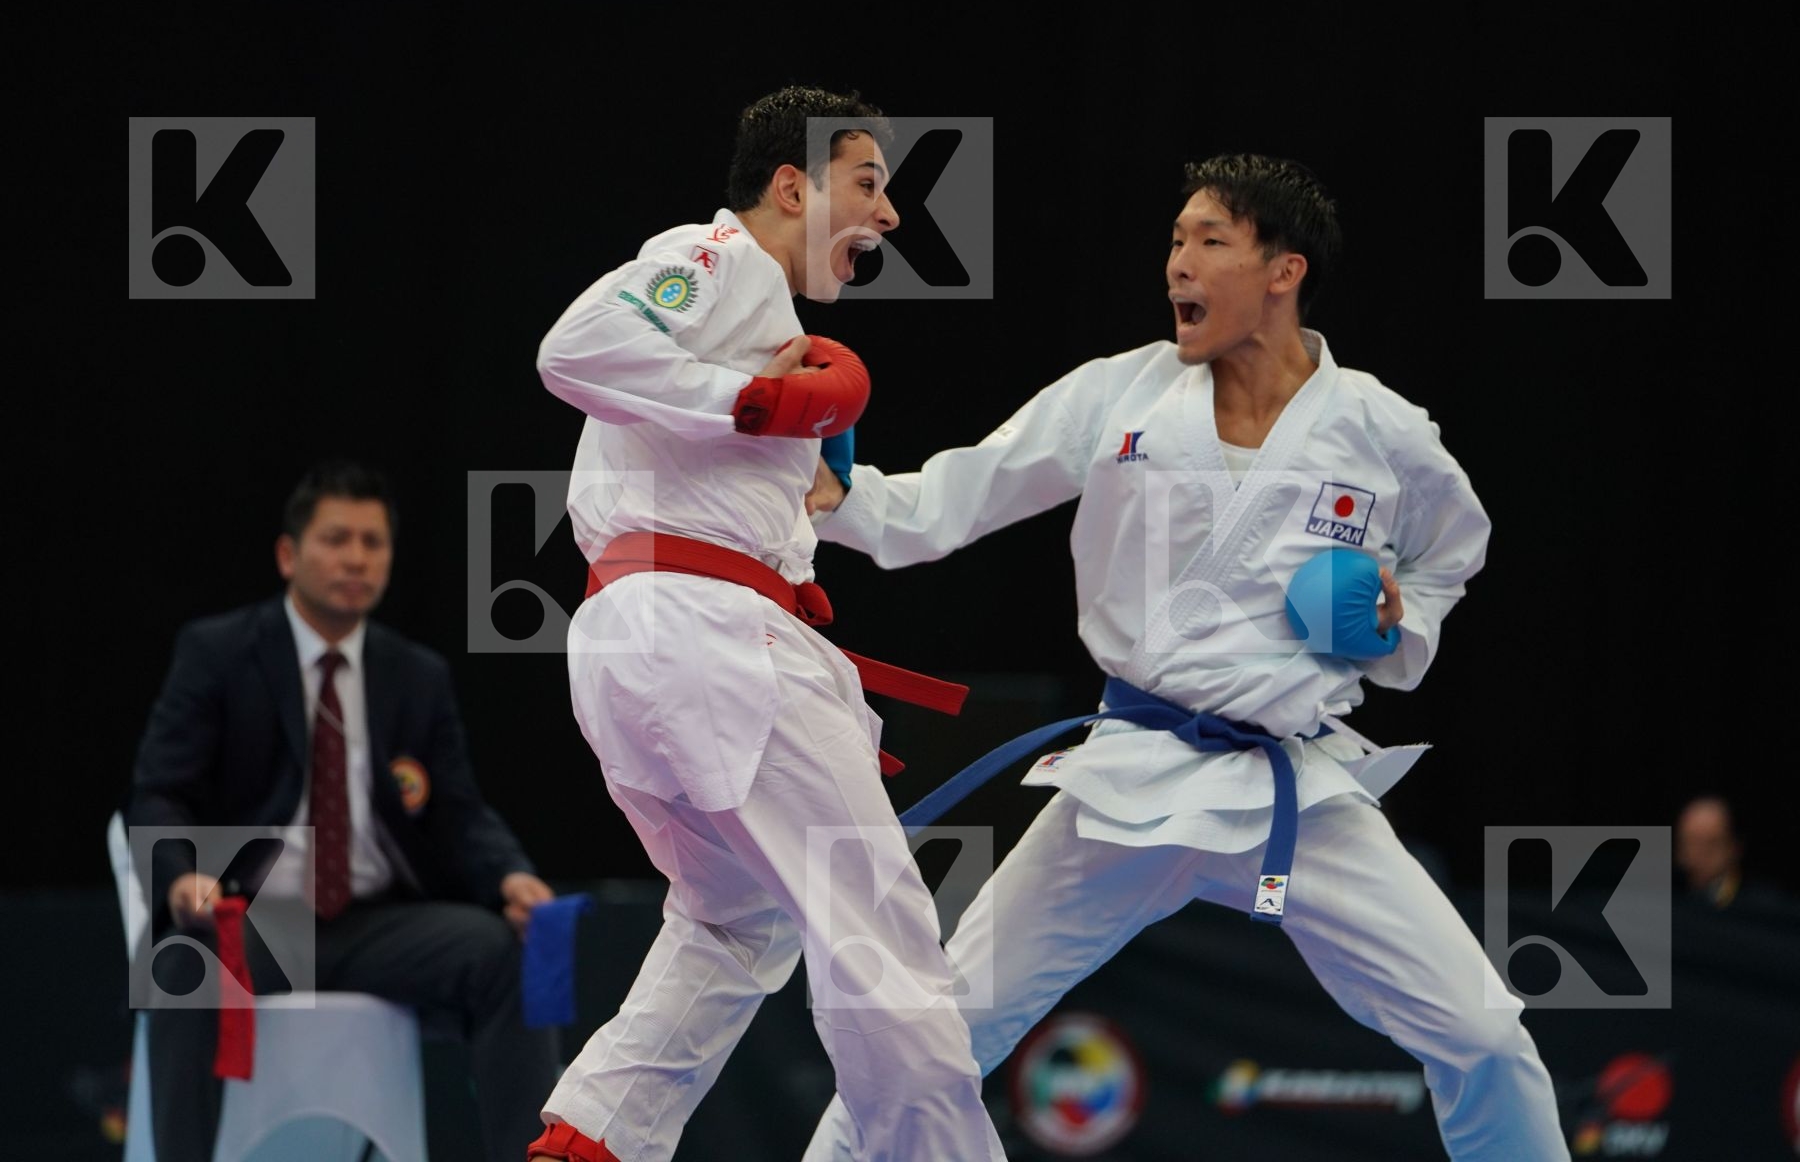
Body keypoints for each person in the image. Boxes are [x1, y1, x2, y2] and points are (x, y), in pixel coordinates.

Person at [802, 155, 1570, 1161]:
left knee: (1483, 1034)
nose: (1179, 264)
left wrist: (1397, 619)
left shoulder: (1382, 430)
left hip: (1289, 786)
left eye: (1210, 241)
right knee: (938, 1034)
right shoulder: (1120, 395)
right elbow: (950, 500)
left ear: (1282, 271)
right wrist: (834, 494)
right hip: (1129, 781)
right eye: (1175, 240)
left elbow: (1453, 551)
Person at [526, 87, 1006, 1162]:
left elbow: (794, 498)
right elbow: (573, 348)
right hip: (707, 636)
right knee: (879, 931)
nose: (886, 219)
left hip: (645, 640)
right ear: (794, 186)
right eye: (869, 186)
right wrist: (754, 401)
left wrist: (808, 455)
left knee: (734, 922)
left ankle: (590, 1144)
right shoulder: (720, 258)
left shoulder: (771, 335)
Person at [123, 459, 562, 1162]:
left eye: (373, 542)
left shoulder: (416, 675)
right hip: (261, 922)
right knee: (179, 961)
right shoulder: (219, 653)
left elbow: (456, 812)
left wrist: (510, 876)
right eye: (337, 539)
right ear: (288, 554)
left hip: (377, 925)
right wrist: (178, 877)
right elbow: (159, 790)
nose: (356, 557)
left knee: (508, 954)